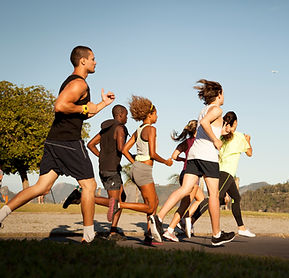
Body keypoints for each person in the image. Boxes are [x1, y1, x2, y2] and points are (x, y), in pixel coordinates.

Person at [0, 46, 115, 243]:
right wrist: (85, 107)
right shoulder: (79, 84)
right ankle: (89, 237)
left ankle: (1, 214)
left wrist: (103, 104)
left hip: (55, 140)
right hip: (68, 141)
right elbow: (60, 106)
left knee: (41, 187)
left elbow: (83, 113)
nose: (96, 62)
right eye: (93, 59)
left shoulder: (75, 83)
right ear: (83, 61)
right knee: (89, 185)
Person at [149, 79, 235, 246]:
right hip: (207, 156)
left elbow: (205, 124)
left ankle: (158, 218)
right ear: (218, 94)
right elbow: (204, 124)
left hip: (194, 155)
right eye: (223, 93)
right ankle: (216, 234)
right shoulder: (217, 109)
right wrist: (216, 141)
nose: (224, 96)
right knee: (214, 195)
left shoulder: (204, 110)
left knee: (185, 189)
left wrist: (221, 133)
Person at [107, 96, 173, 245]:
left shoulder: (139, 130)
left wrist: (135, 163)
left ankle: (150, 236)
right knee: (150, 206)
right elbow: (153, 154)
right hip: (143, 170)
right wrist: (166, 162)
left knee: (153, 202)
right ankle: (119, 204)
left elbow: (124, 149)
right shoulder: (151, 129)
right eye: (156, 113)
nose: (157, 116)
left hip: (137, 168)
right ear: (149, 114)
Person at [63, 104, 129, 241]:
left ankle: (113, 232)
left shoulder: (105, 129)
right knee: (115, 203)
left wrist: (101, 156)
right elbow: (121, 148)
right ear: (120, 114)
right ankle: (80, 195)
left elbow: (90, 144)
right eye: (126, 115)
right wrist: (134, 157)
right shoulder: (120, 128)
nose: (127, 118)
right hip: (112, 169)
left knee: (121, 198)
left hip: (104, 168)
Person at [190, 111, 256, 237]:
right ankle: (189, 220)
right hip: (226, 172)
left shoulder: (222, 135)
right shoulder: (240, 136)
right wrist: (248, 140)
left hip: (223, 171)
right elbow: (249, 153)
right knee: (213, 198)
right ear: (235, 123)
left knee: (236, 198)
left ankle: (241, 228)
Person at [162, 120, 205, 242]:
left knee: (200, 198)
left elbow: (174, 156)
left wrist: (183, 160)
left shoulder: (186, 142)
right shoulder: (199, 143)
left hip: (183, 173)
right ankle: (172, 228)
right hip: (192, 175)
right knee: (184, 205)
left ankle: (184, 219)